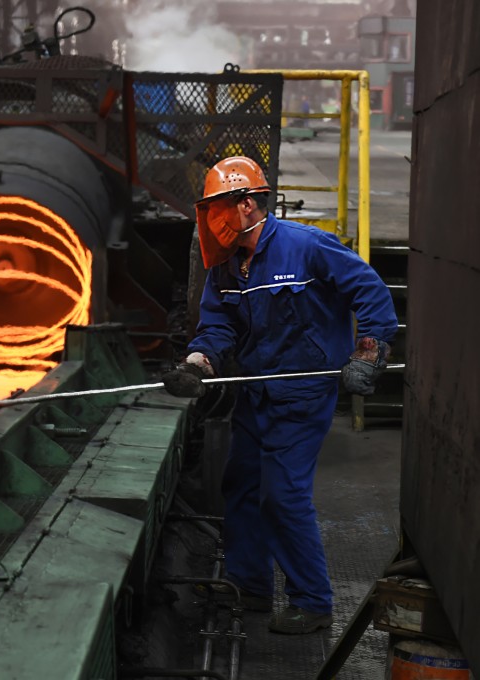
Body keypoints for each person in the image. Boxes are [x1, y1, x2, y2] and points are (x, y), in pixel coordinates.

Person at [163, 156, 397, 634]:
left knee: (283, 495)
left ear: (246, 204)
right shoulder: (227, 267)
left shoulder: (306, 246)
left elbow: (368, 289)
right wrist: (197, 363)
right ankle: (249, 586)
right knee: (243, 484)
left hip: (303, 392)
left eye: (217, 208)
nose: (211, 220)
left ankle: (312, 601)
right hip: (256, 390)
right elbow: (217, 325)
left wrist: (369, 351)